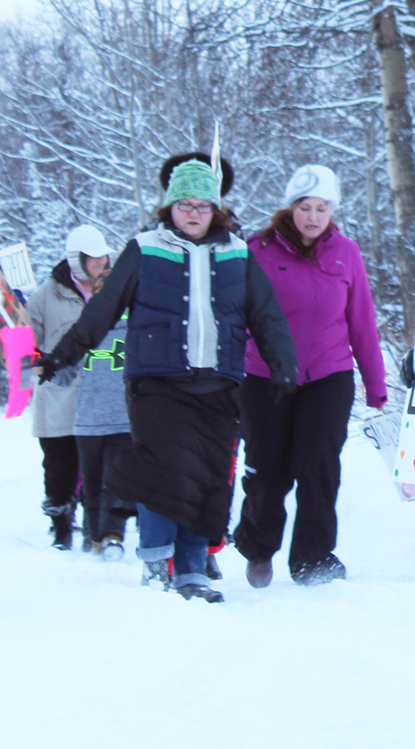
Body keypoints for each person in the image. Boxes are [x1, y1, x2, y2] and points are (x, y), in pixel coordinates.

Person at [41, 152, 299, 603]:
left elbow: (267, 315)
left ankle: (193, 569)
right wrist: (62, 355)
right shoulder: (145, 249)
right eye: (185, 205)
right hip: (156, 382)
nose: (194, 214)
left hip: (219, 383)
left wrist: (283, 365)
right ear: (169, 207)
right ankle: (158, 565)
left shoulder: (237, 253)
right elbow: (102, 311)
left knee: (208, 477)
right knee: (161, 475)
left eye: (203, 206)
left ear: (216, 209)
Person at [236, 163, 388, 588]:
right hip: (265, 375)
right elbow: (237, 316)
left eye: (323, 207)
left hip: (328, 375)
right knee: (268, 469)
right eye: (305, 207)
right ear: (291, 208)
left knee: (318, 466)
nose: (314, 216)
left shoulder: (346, 254)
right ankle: (259, 545)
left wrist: (376, 384)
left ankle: (312, 558)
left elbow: (361, 323)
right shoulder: (257, 251)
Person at [27, 225, 112, 548]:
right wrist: (40, 360)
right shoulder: (46, 295)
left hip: (101, 391)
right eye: (93, 258)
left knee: (98, 463)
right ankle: (61, 521)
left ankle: (98, 524)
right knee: (59, 462)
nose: (101, 263)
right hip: (59, 392)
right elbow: (27, 341)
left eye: (103, 256)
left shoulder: (112, 289)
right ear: (77, 260)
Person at [71, 277, 136, 559]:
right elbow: (63, 370)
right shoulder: (83, 330)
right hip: (88, 419)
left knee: (116, 480)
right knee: (92, 482)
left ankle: (112, 535)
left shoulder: (137, 328)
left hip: (124, 419)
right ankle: (93, 535)